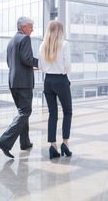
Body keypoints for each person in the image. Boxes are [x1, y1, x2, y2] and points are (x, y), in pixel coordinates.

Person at [0, 17, 38, 158]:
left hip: (13, 82)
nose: (32, 30)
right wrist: (42, 63)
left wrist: (26, 68)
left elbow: (11, 62)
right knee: (25, 111)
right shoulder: (25, 39)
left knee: (22, 111)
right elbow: (27, 59)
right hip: (23, 83)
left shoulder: (12, 40)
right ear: (24, 27)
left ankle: (25, 142)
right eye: (31, 27)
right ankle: (4, 141)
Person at [39, 20, 72, 159]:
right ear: (60, 31)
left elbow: (40, 66)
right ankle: (65, 143)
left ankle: (53, 145)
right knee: (67, 112)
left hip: (48, 81)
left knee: (52, 114)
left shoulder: (43, 45)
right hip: (61, 80)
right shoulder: (64, 44)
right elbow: (67, 65)